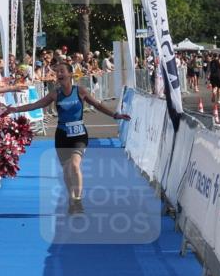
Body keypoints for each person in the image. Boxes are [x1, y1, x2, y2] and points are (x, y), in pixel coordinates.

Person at [7, 62, 129, 214]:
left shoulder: (80, 91)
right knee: (66, 170)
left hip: (79, 135)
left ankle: (77, 200)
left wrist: (115, 115)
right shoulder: (55, 94)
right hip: (62, 135)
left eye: (62, 71)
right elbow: (36, 105)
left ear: (70, 74)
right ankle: (72, 198)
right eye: (57, 71)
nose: (59, 74)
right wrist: (15, 109)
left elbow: (97, 105)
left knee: (75, 165)